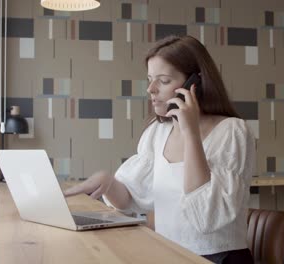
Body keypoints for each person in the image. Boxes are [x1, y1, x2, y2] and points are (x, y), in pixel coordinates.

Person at [64, 35, 255, 264]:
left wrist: (191, 133)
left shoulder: (232, 131)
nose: (150, 89)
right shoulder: (158, 132)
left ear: (195, 83)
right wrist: (108, 182)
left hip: (218, 258)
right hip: (170, 252)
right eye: (150, 79)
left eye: (163, 81)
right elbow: (130, 199)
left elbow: (206, 218)